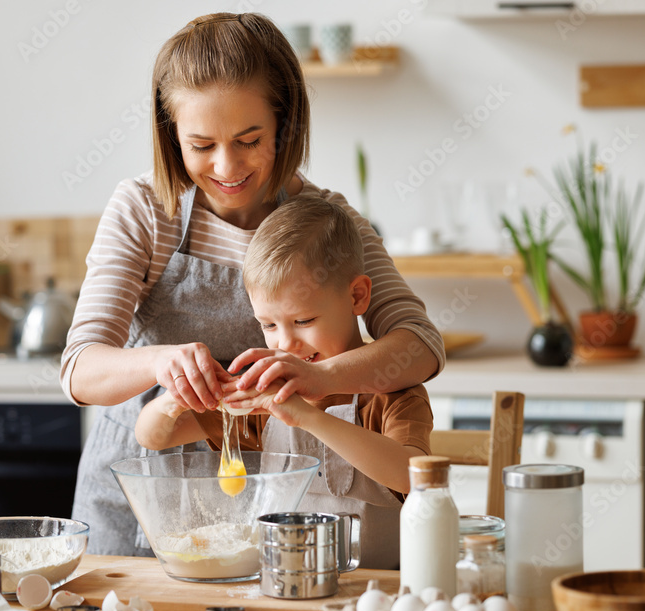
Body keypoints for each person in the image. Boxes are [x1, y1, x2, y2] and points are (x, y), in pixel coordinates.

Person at [60, 12, 444, 557]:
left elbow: (421, 347)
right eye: (200, 144)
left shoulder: (325, 224)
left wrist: (313, 380)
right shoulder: (146, 210)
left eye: (249, 139)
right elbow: (79, 369)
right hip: (136, 498)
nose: (226, 165)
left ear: (285, 124)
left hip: (257, 515)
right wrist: (159, 365)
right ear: (172, 135)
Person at [134, 197, 433, 569]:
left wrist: (308, 416)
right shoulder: (263, 394)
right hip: (284, 588)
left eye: (304, 321)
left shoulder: (392, 390)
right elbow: (153, 437)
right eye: (269, 325)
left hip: (380, 595)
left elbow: (413, 476)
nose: (285, 344)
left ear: (357, 296)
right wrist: (176, 397)